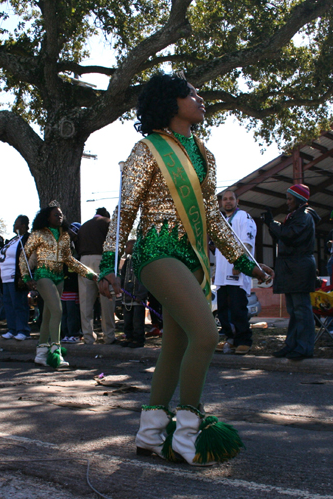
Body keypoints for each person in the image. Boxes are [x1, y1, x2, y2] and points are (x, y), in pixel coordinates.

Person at [98, 72, 271, 466]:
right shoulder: (146, 150)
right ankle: (189, 435)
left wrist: (248, 262)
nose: (200, 98)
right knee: (207, 335)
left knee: (176, 346)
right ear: (171, 102)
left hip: (191, 257)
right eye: (191, 93)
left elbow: (211, 216)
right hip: (156, 251)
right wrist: (110, 265)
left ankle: (150, 434)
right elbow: (124, 214)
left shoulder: (204, 154)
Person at [23, 203, 97, 368]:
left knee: (48, 316)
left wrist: (91, 274)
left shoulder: (64, 237)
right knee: (58, 310)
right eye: (56, 214)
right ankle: (56, 352)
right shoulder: (38, 234)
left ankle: (41, 353)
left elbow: (70, 261)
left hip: (59, 278)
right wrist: (26, 276)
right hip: (43, 275)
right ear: (47, 217)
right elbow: (25, 256)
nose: (60, 217)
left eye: (61, 214)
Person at [261, 183, 320, 360]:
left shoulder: (305, 216)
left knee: (301, 309)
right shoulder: (296, 215)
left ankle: (304, 347)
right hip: (293, 267)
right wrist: (273, 226)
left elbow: (290, 235)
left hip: (299, 267)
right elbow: (283, 236)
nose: (287, 202)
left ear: (299, 199)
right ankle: (293, 344)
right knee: (294, 310)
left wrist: (272, 223)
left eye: (289, 198)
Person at [214, 190, 258, 355]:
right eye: (224, 199)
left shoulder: (243, 217)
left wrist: (239, 264)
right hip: (221, 274)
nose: (227, 202)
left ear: (237, 200)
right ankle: (230, 340)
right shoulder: (220, 221)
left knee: (238, 309)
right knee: (223, 311)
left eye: (231, 199)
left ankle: (244, 340)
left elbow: (247, 244)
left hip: (236, 273)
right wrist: (216, 271)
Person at [76, 207, 116, 345]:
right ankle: (109, 336)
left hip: (83, 261)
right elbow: (113, 244)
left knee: (86, 302)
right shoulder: (108, 222)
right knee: (107, 299)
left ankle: (88, 336)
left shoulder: (84, 226)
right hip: (102, 260)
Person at [0, 215, 31, 341]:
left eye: (16, 223)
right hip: (5, 277)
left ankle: (23, 330)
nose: (13, 225)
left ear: (23, 225)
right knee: (8, 304)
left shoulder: (27, 239)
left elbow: (27, 258)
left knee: (19, 304)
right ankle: (12, 329)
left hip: (15, 276)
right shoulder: (13, 239)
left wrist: (23, 275)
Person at [120, 239, 147, 348]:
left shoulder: (141, 261)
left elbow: (144, 279)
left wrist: (141, 295)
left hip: (137, 297)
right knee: (127, 320)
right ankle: (129, 337)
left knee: (137, 321)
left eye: (127, 246)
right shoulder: (127, 261)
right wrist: (121, 287)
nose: (125, 248)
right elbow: (122, 276)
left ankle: (138, 340)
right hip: (127, 297)